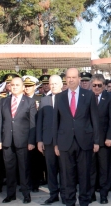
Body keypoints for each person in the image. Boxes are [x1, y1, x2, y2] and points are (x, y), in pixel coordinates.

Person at [53, 68, 100, 206]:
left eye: (74, 77)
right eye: (68, 77)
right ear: (65, 79)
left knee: (84, 175)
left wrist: (96, 141)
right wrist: (55, 143)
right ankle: (69, 201)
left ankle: (85, 201)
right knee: (67, 176)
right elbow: (55, 122)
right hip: (65, 142)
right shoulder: (59, 97)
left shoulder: (89, 95)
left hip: (85, 141)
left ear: (79, 78)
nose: (71, 80)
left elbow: (95, 120)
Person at [0, 77, 36, 203]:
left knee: (24, 169)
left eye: (17, 85)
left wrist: (31, 141)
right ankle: (10, 194)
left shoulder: (29, 102)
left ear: (23, 87)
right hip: (7, 140)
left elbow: (33, 123)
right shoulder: (4, 101)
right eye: (12, 85)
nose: (14, 87)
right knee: (9, 169)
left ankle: (26, 194)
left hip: (23, 141)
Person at [36, 75, 64, 204]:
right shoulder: (44, 100)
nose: (53, 86)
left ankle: (65, 195)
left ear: (61, 85)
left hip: (64, 141)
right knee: (51, 170)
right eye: (51, 84)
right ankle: (53, 194)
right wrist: (39, 140)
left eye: (55, 84)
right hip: (48, 141)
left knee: (65, 170)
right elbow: (40, 122)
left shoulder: (66, 99)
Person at [89, 74, 111, 204]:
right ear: (91, 85)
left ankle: (104, 194)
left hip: (105, 140)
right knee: (90, 169)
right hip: (89, 141)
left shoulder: (110, 98)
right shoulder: (86, 98)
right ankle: (91, 193)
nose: (97, 87)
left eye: (100, 85)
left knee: (105, 169)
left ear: (104, 86)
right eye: (94, 85)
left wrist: (109, 137)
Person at [23, 75, 45, 193]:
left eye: (30, 86)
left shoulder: (40, 98)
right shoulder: (21, 99)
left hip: (37, 132)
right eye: (25, 86)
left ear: (35, 87)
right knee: (24, 161)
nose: (27, 88)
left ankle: (35, 183)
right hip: (23, 134)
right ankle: (26, 183)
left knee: (36, 161)